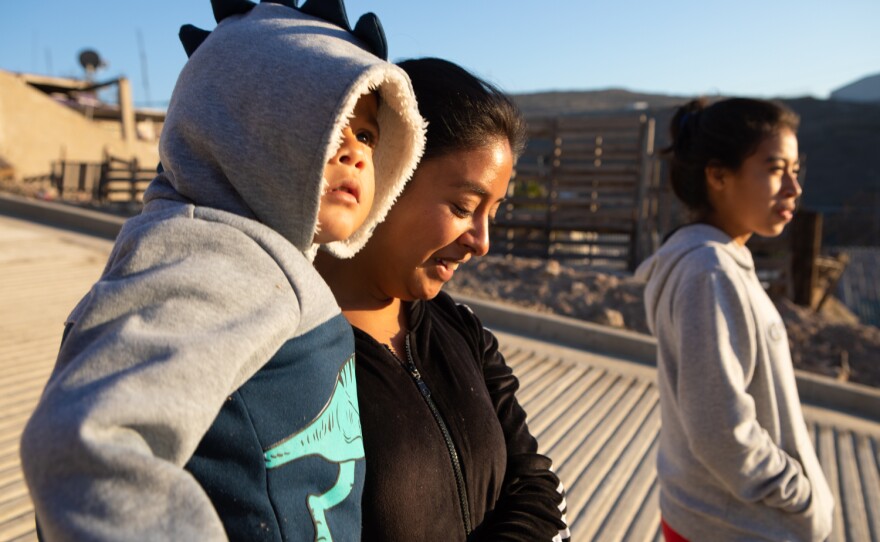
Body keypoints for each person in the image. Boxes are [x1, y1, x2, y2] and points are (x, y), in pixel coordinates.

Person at [19, 1, 426, 540]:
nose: (354, 154)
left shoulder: (260, 259)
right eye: (328, 125)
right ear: (242, 126)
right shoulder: (216, 260)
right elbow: (84, 444)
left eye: (368, 137)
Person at [316, 57, 570, 542]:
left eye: (493, 212)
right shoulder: (291, 350)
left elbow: (535, 487)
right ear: (388, 172)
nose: (482, 240)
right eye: (464, 208)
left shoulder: (461, 330)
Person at [635, 97, 834, 541]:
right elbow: (720, 431)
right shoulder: (709, 272)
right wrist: (800, 494)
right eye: (775, 169)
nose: (793, 188)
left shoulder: (717, 261)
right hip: (732, 527)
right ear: (718, 174)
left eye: (795, 170)